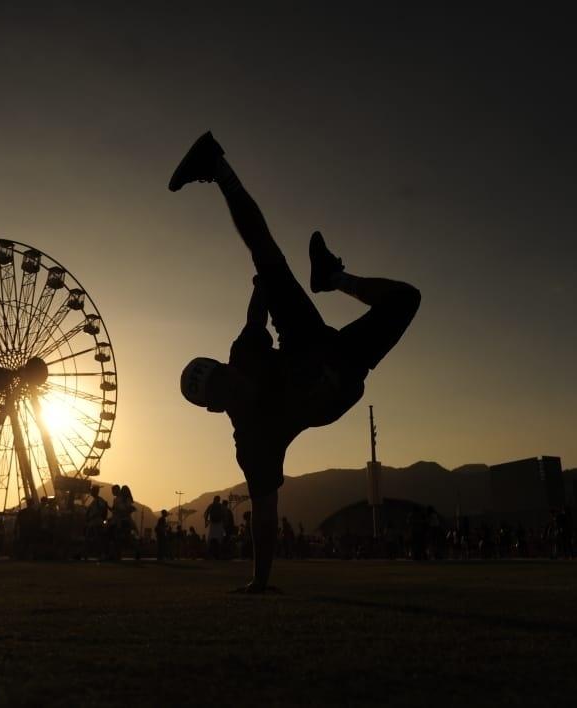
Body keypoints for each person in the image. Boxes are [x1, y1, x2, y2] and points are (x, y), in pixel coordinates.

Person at [171, 131, 420, 592]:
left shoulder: (245, 354)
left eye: (227, 376)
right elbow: (265, 518)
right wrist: (259, 583)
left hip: (307, 342)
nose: (236, 384)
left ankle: (222, 172)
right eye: (225, 390)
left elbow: (255, 312)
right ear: (216, 408)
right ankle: (330, 275)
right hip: (343, 373)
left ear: (227, 367)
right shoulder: (253, 441)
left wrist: (266, 280)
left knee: (398, 296)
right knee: (404, 300)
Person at [85, 486, 109, 561]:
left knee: (97, 539)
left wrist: (94, 516)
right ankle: (87, 554)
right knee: (91, 538)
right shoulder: (96, 501)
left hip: (97, 522)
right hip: (93, 522)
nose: (91, 492)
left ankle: (101, 554)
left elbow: (102, 511)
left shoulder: (99, 501)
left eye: (92, 491)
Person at [204, 495, 226, 560]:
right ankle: (219, 554)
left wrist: (206, 522)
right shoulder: (221, 506)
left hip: (212, 524)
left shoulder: (211, 505)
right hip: (219, 524)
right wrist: (224, 523)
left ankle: (208, 554)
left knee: (210, 539)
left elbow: (206, 514)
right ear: (219, 500)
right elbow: (224, 515)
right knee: (219, 539)